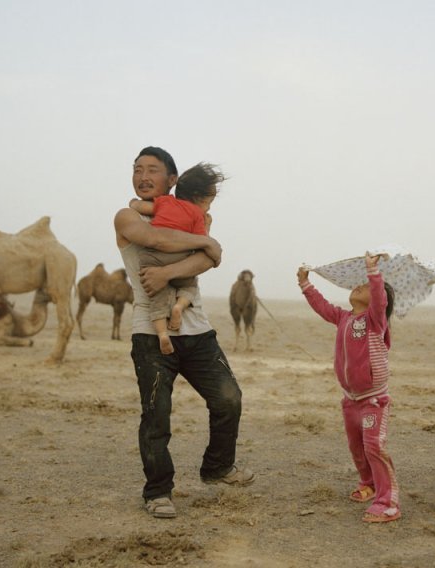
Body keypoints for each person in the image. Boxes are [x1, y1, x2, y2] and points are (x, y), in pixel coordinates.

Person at [114, 146, 254, 520]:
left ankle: (218, 468)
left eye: (152, 170)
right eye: (137, 169)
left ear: (172, 180)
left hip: (196, 330)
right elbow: (157, 241)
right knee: (156, 415)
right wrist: (205, 240)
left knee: (228, 399)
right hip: (150, 333)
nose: (143, 176)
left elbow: (208, 260)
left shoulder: (191, 216)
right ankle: (158, 491)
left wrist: (166, 273)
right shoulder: (127, 216)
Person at [297, 253, 401, 523]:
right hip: (350, 400)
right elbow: (321, 306)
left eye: (365, 286)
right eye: (358, 284)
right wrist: (305, 284)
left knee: (374, 447)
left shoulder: (375, 321)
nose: (359, 287)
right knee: (357, 447)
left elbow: (378, 298)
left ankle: (388, 502)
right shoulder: (342, 317)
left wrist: (373, 272)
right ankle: (368, 483)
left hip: (373, 401)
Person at [128, 162, 223, 355]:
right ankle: (179, 307)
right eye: (208, 202)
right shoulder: (197, 214)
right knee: (189, 286)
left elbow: (142, 207)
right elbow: (203, 244)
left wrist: (133, 204)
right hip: (180, 258)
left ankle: (162, 334)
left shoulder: (166, 202)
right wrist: (208, 231)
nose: (208, 208)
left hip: (153, 259)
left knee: (157, 296)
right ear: (198, 198)